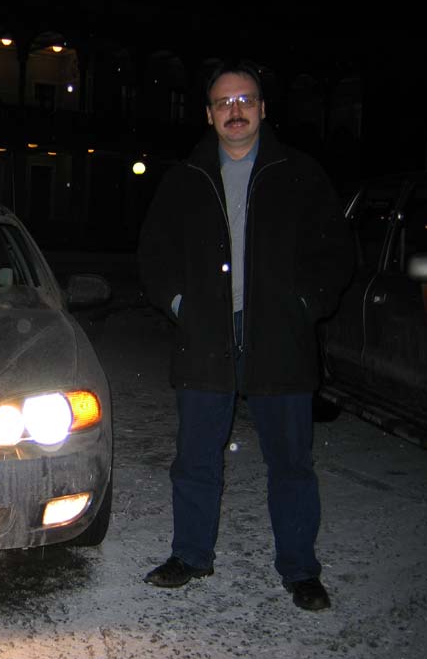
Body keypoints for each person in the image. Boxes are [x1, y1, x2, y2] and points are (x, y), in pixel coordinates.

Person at [137, 59, 353, 611]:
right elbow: (154, 254)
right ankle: (190, 555)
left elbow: (335, 253)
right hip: (205, 338)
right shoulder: (185, 179)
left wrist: (305, 306)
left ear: (262, 108)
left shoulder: (300, 173)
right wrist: (181, 304)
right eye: (224, 103)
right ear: (209, 114)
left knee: (291, 463)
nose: (235, 111)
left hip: (280, 340)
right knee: (196, 459)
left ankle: (300, 569)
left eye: (245, 100)